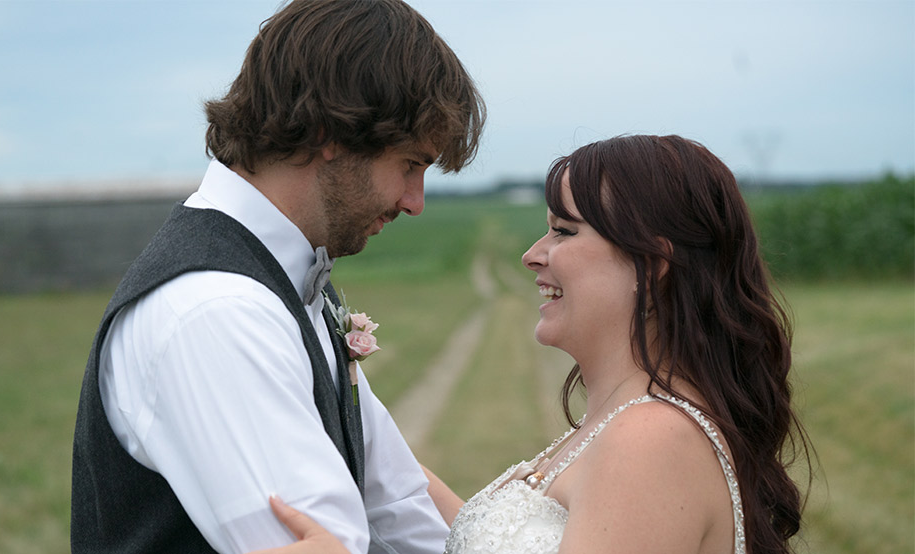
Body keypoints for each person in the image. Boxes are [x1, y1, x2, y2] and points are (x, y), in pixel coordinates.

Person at [262, 134, 812, 554]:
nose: (532, 254)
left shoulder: (651, 439)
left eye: (564, 232)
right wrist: (338, 403)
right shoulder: (619, 426)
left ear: (654, 264)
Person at [70, 1, 485, 552]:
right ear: (329, 130)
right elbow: (329, 540)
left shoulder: (290, 280)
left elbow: (395, 500)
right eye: (409, 163)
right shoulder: (216, 310)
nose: (416, 202)